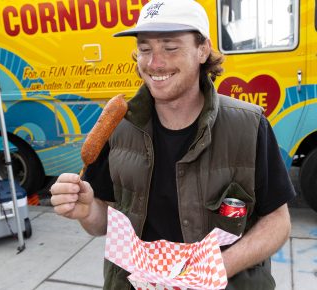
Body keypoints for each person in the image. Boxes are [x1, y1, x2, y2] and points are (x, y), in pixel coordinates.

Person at [50, 0, 295, 289]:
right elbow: (101, 221)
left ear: (203, 49)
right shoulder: (117, 128)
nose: (154, 63)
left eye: (170, 47)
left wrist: (212, 270)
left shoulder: (248, 126)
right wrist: (87, 209)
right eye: (145, 49)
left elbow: (278, 222)